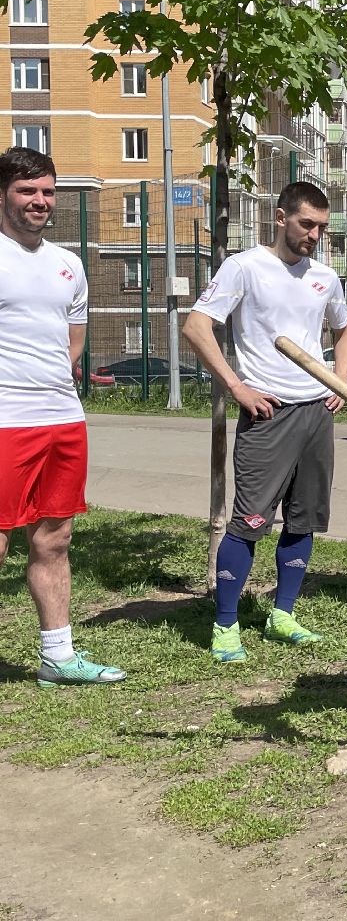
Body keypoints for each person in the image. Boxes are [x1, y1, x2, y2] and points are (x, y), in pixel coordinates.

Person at [184, 181, 347, 663]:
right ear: (280, 218)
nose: (314, 235)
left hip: (317, 413)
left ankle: (282, 613)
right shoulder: (244, 267)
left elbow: (345, 330)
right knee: (250, 521)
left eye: (322, 227)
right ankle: (224, 624)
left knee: (303, 519)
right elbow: (197, 326)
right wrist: (236, 386)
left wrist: (339, 381)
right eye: (307, 224)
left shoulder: (325, 276)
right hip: (269, 412)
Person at [0, 146, 126, 688]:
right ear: (3, 193)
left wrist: (50, 381)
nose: (40, 201)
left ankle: (58, 655)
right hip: (5, 421)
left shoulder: (68, 263)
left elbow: (73, 341)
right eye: (28, 191)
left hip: (61, 418)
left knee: (55, 538)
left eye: (48, 191)